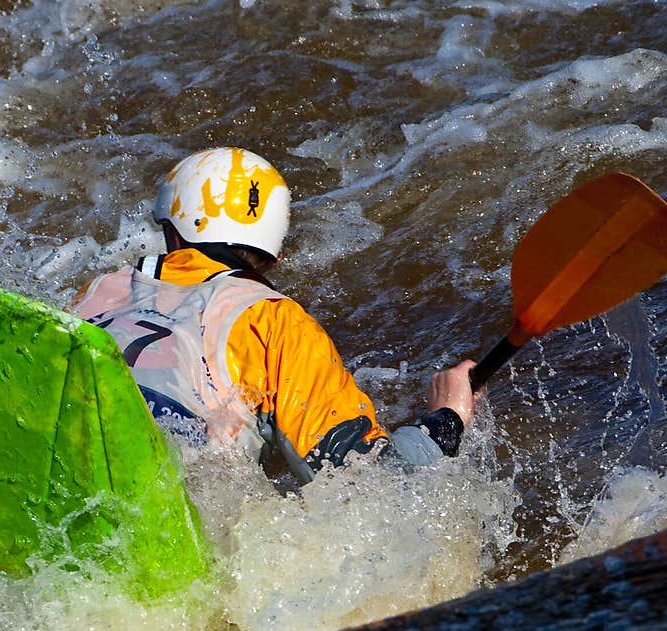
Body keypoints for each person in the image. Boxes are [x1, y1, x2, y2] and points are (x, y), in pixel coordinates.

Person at [68, 147, 475, 483]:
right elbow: (367, 480)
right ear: (273, 258)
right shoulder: (276, 321)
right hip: (175, 482)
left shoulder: (98, 291)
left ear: (171, 232)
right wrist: (446, 418)